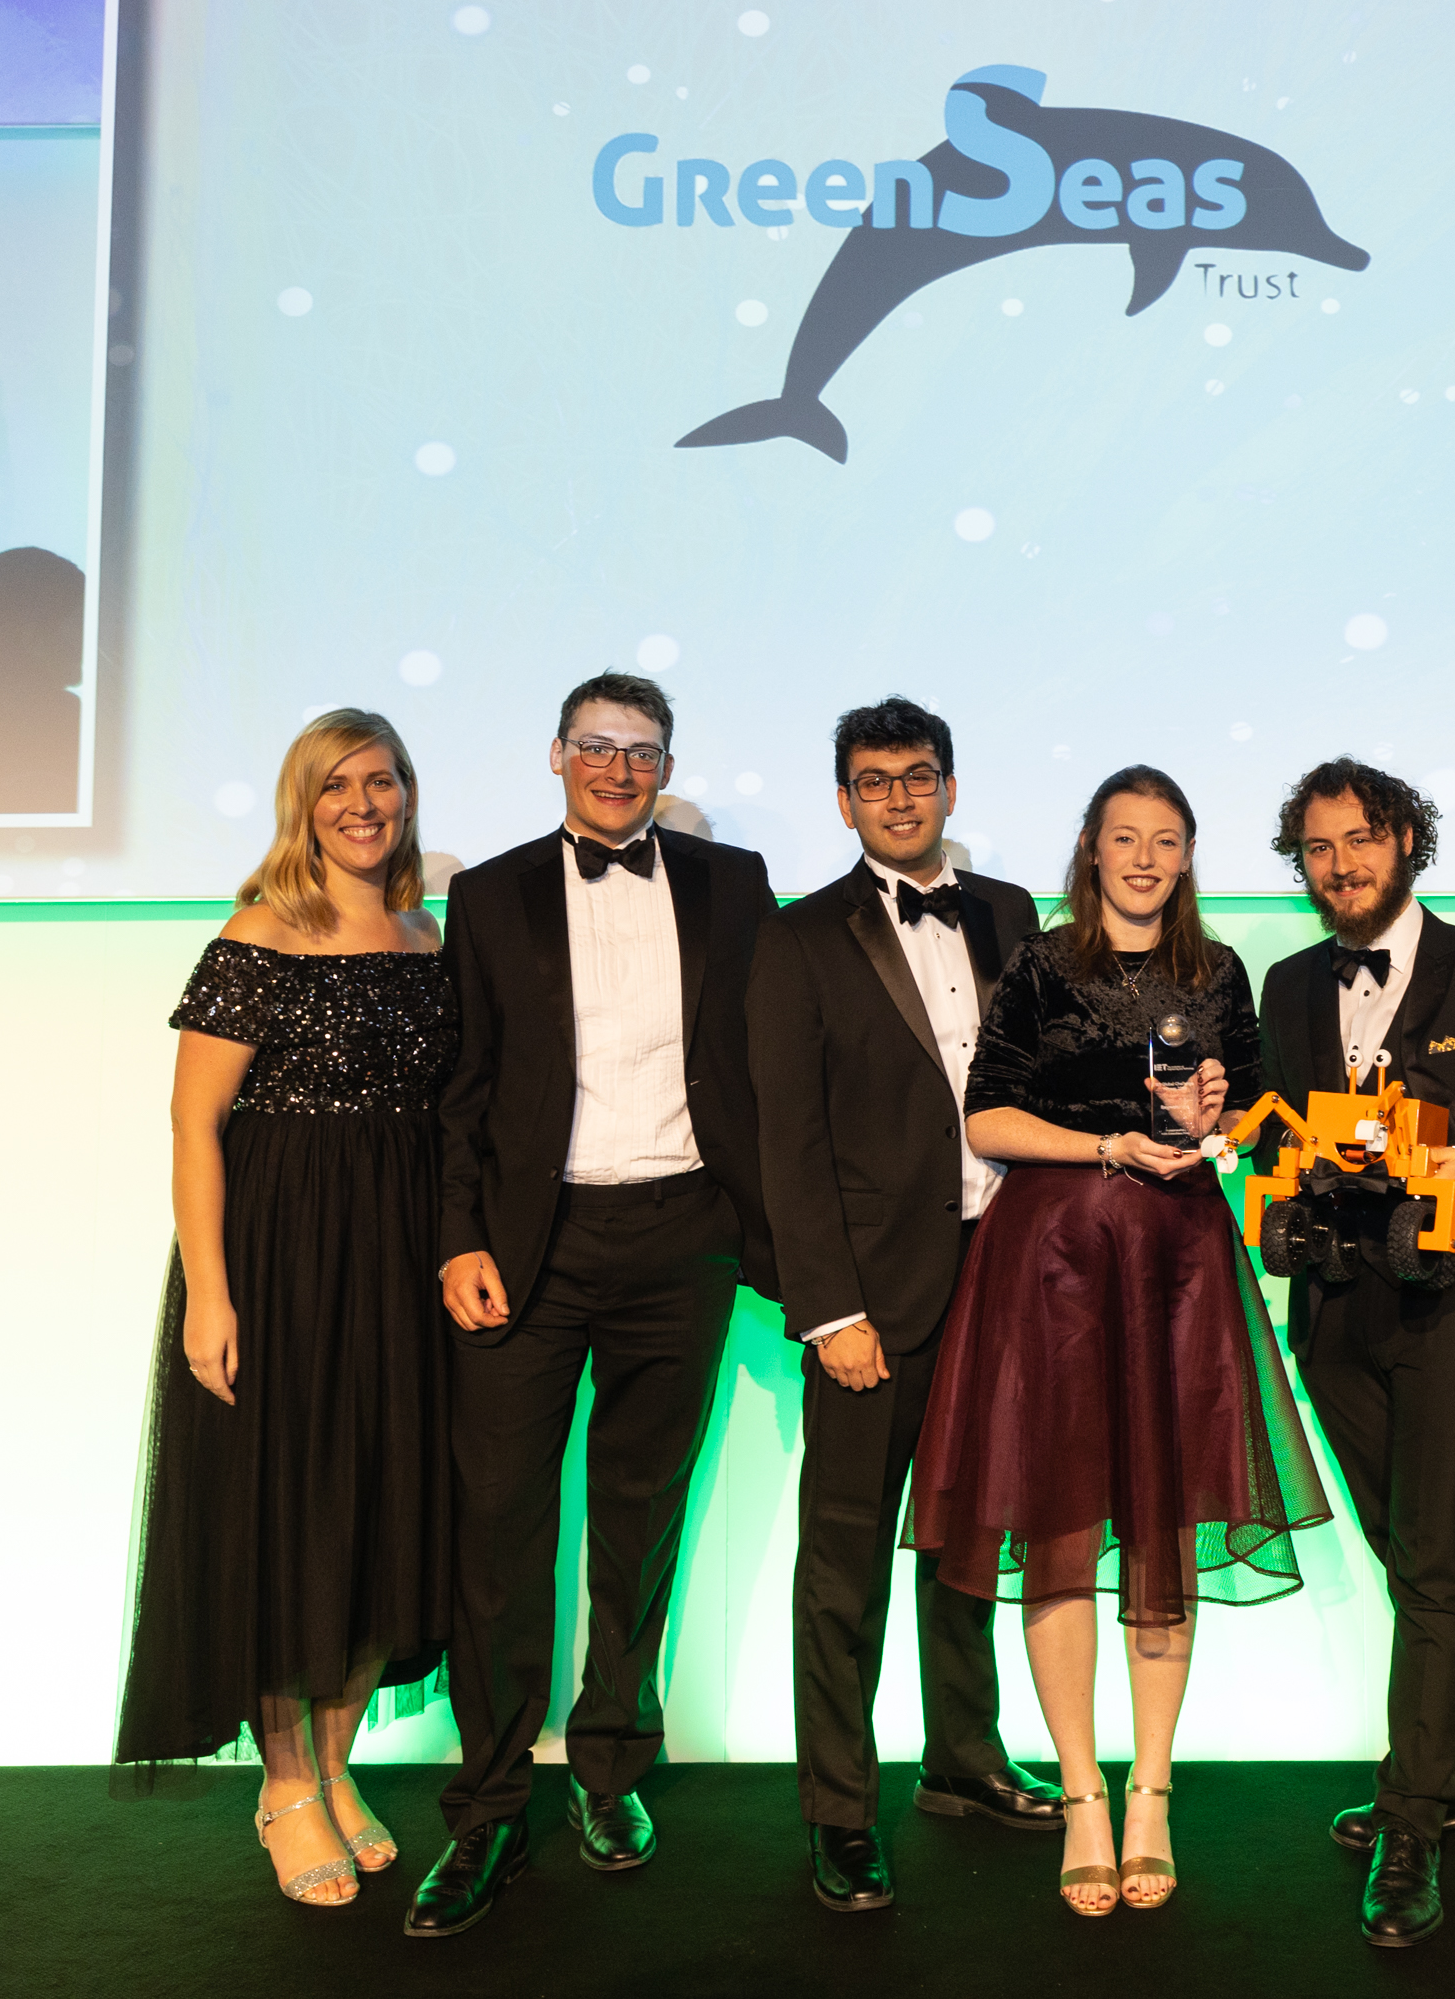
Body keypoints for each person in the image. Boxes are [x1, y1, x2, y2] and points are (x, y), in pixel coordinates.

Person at [903, 764, 1331, 1917]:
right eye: (1123, 837)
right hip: (1051, 1268)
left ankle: (1152, 1791)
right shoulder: (1044, 963)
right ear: (1091, 850)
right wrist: (1105, 1150)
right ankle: (1083, 1796)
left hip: (1179, 1268)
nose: (1144, 857)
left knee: (1160, 1524)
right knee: (1057, 1529)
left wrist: (1215, 1122)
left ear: (1188, 857)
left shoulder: (1218, 971)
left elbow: (1246, 1112)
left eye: (1166, 840)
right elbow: (984, 1115)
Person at [405, 673, 779, 1938]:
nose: (620, 768)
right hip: (532, 1243)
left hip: (684, 1233)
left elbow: (767, 1061)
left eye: (644, 751)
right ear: (555, 755)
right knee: (499, 1524)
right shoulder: (492, 891)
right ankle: (490, 1805)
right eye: (597, 747)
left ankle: (611, 1766)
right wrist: (458, 1235)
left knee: (638, 1520)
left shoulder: (736, 886)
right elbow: (462, 1084)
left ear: (668, 766)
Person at [114, 709, 455, 1911]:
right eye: (338, 786)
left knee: (381, 1506)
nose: (365, 804)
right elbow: (194, 1123)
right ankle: (285, 1786)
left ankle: (338, 1764)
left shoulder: (425, 934)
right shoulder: (260, 932)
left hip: (401, 1256)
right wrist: (211, 1290)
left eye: (385, 781)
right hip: (285, 1254)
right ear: (302, 804)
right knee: (290, 1508)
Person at [1254, 760, 1455, 1949]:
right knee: (1410, 1553)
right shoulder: (1287, 985)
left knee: (1435, 1562)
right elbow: (1270, 1133)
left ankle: (1412, 1826)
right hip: (1338, 1312)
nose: (1340, 866)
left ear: (1406, 840)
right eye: (1317, 850)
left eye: (1359, 841)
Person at [746, 697, 1066, 1913]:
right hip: (876, 1295)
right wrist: (830, 1310)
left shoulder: (1011, 915)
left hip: (1010, 1276)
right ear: (843, 800)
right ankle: (839, 1809)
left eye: (918, 775)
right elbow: (790, 1137)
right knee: (843, 1560)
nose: (899, 796)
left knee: (975, 1536)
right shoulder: (797, 937)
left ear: (949, 785)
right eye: (874, 780)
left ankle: (966, 1759)